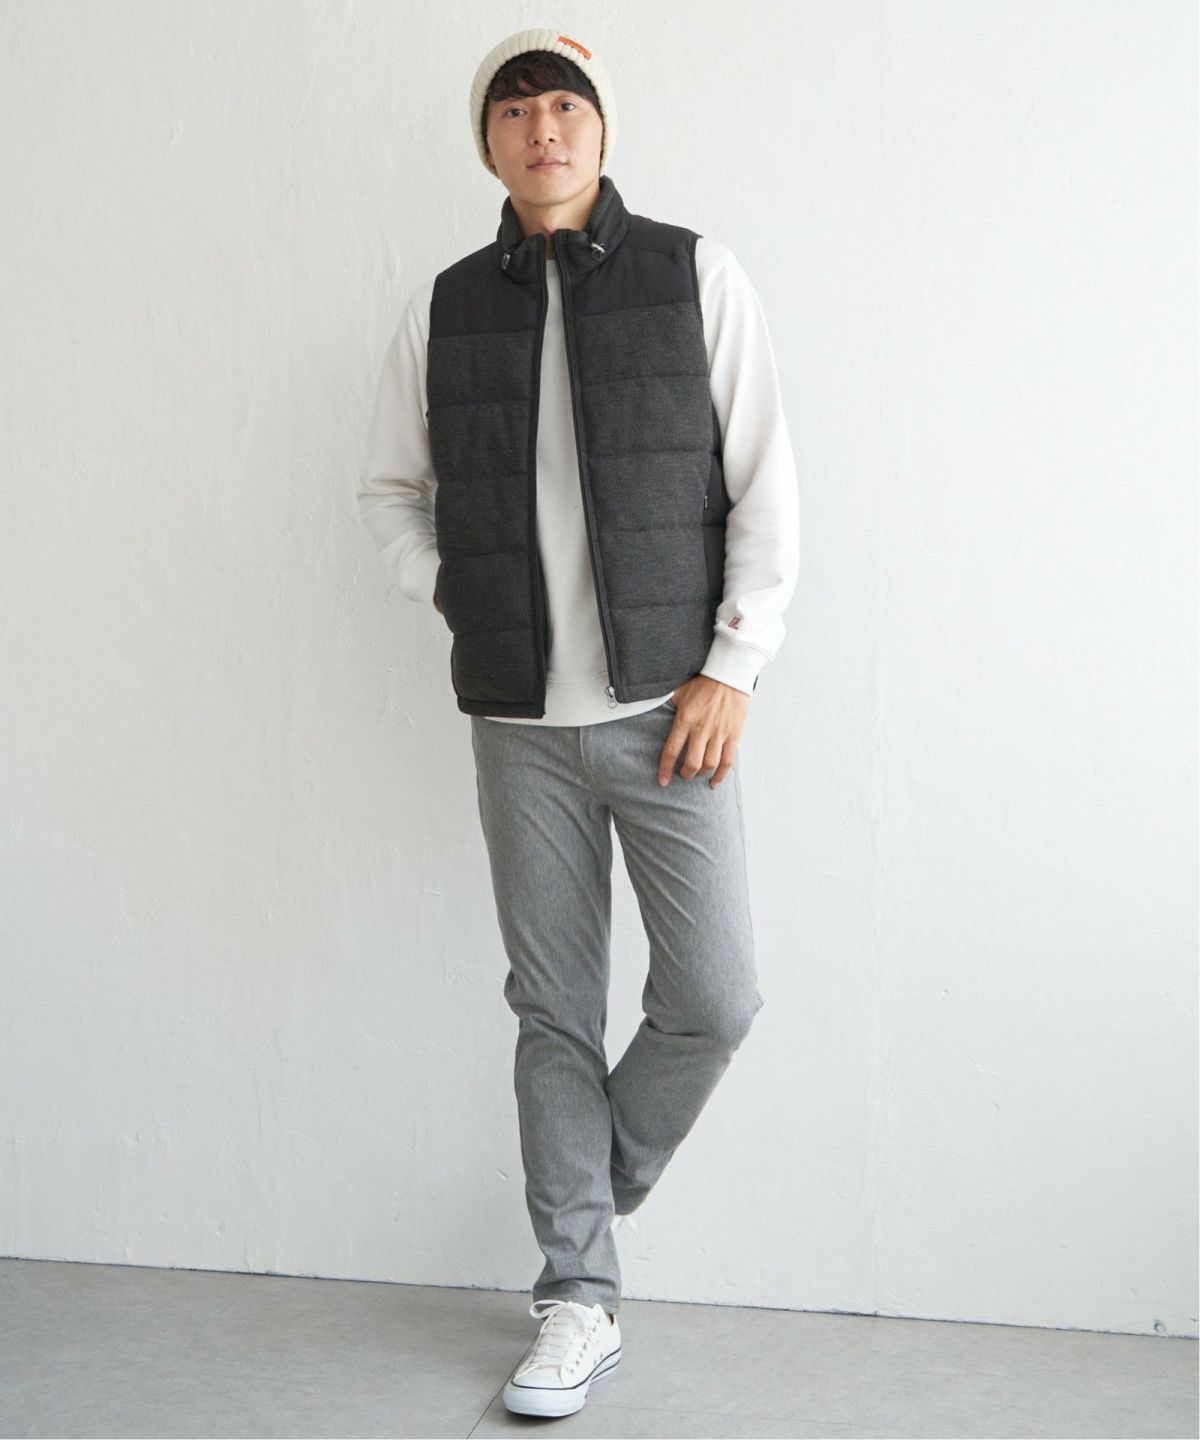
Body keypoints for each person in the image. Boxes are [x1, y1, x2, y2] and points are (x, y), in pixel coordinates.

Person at [356, 28, 800, 1421]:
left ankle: (585, 1197)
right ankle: (577, 1295)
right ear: (487, 142)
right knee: (552, 1009)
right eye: (513, 110)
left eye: (564, 104)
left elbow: (767, 482)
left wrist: (735, 665)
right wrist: (456, 590)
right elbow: (390, 492)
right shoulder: (444, 307)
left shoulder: (694, 273)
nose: (541, 129)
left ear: (601, 130)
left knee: (715, 998)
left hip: (675, 712)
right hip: (521, 724)